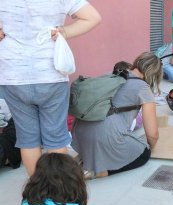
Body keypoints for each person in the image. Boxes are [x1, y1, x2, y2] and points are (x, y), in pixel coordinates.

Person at [0, 1, 101, 176]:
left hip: (14, 75)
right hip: (51, 73)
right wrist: (65, 32)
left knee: (28, 140)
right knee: (56, 138)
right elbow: (93, 17)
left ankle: (36, 192)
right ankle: (56, 192)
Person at [71, 53, 161, 179]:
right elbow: (152, 135)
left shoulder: (112, 74)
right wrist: (152, 146)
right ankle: (101, 171)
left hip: (79, 132)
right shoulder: (143, 88)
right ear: (154, 74)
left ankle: (86, 159)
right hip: (103, 136)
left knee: (109, 133)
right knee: (144, 153)